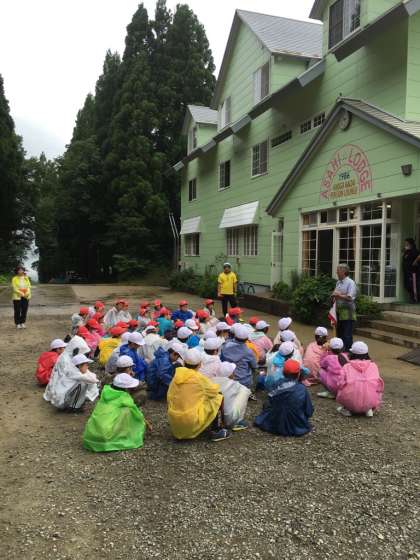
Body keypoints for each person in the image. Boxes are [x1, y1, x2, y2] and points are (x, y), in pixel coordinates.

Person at [167, 348, 229, 442]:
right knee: (218, 397)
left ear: (184, 363)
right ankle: (216, 430)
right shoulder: (199, 378)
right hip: (190, 422)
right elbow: (214, 391)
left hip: (175, 422)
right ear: (200, 364)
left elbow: (169, 396)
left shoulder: (176, 376)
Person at [83, 372, 146, 452]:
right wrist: (142, 424)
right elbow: (137, 414)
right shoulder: (124, 396)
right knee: (129, 411)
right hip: (105, 437)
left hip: (91, 436)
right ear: (126, 388)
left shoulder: (106, 391)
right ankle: (122, 436)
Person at [255, 359, 314, 437]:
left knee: (267, 405)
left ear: (283, 372)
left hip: (275, 421)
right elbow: (309, 410)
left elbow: (270, 401)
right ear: (298, 374)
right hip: (296, 425)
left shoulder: (277, 384)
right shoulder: (302, 389)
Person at [44, 337, 99, 412]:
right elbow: (91, 379)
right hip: (61, 397)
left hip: (60, 390)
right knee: (82, 383)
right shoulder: (67, 361)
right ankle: (74, 406)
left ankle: (74, 404)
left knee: (85, 382)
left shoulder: (69, 358)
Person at [336, 341, 384, 417]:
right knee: (375, 389)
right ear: (367, 354)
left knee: (342, 388)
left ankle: (347, 409)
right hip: (370, 402)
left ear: (352, 354)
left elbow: (340, 384)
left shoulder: (346, 366)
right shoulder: (373, 366)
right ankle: (368, 409)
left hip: (350, 403)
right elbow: (379, 385)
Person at [212, 362, 250, 430]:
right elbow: (247, 390)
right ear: (230, 374)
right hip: (228, 419)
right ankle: (237, 422)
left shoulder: (211, 380)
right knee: (245, 391)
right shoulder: (233, 384)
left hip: (212, 417)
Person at [220, 324, 257, 393]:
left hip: (229, 377)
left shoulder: (225, 346)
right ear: (247, 339)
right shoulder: (248, 352)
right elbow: (254, 366)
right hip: (243, 381)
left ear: (235, 336)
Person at [332, 264, 357, 351]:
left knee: (347, 335)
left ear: (343, 272)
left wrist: (338, 295)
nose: (336, 272)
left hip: (348, 313)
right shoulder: (338, 282)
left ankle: (348, 352)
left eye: (338, 271)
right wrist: (333, 296)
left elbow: (350, 297)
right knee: (339, 333)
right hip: (339, 312)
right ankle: (340, 351)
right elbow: (335, 294)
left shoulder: (351, 283)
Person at [402, 238, 420, 303]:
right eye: (405, 243)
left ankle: (415, 299)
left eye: (407, 243)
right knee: (408, 285)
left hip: (413, 272)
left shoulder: (414, 251)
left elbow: (419, 256)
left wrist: (415, 261)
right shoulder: (407, 251)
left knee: (414, 285)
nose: (406, 244)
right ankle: (412, 298)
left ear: (411, 244)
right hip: (407, 271)